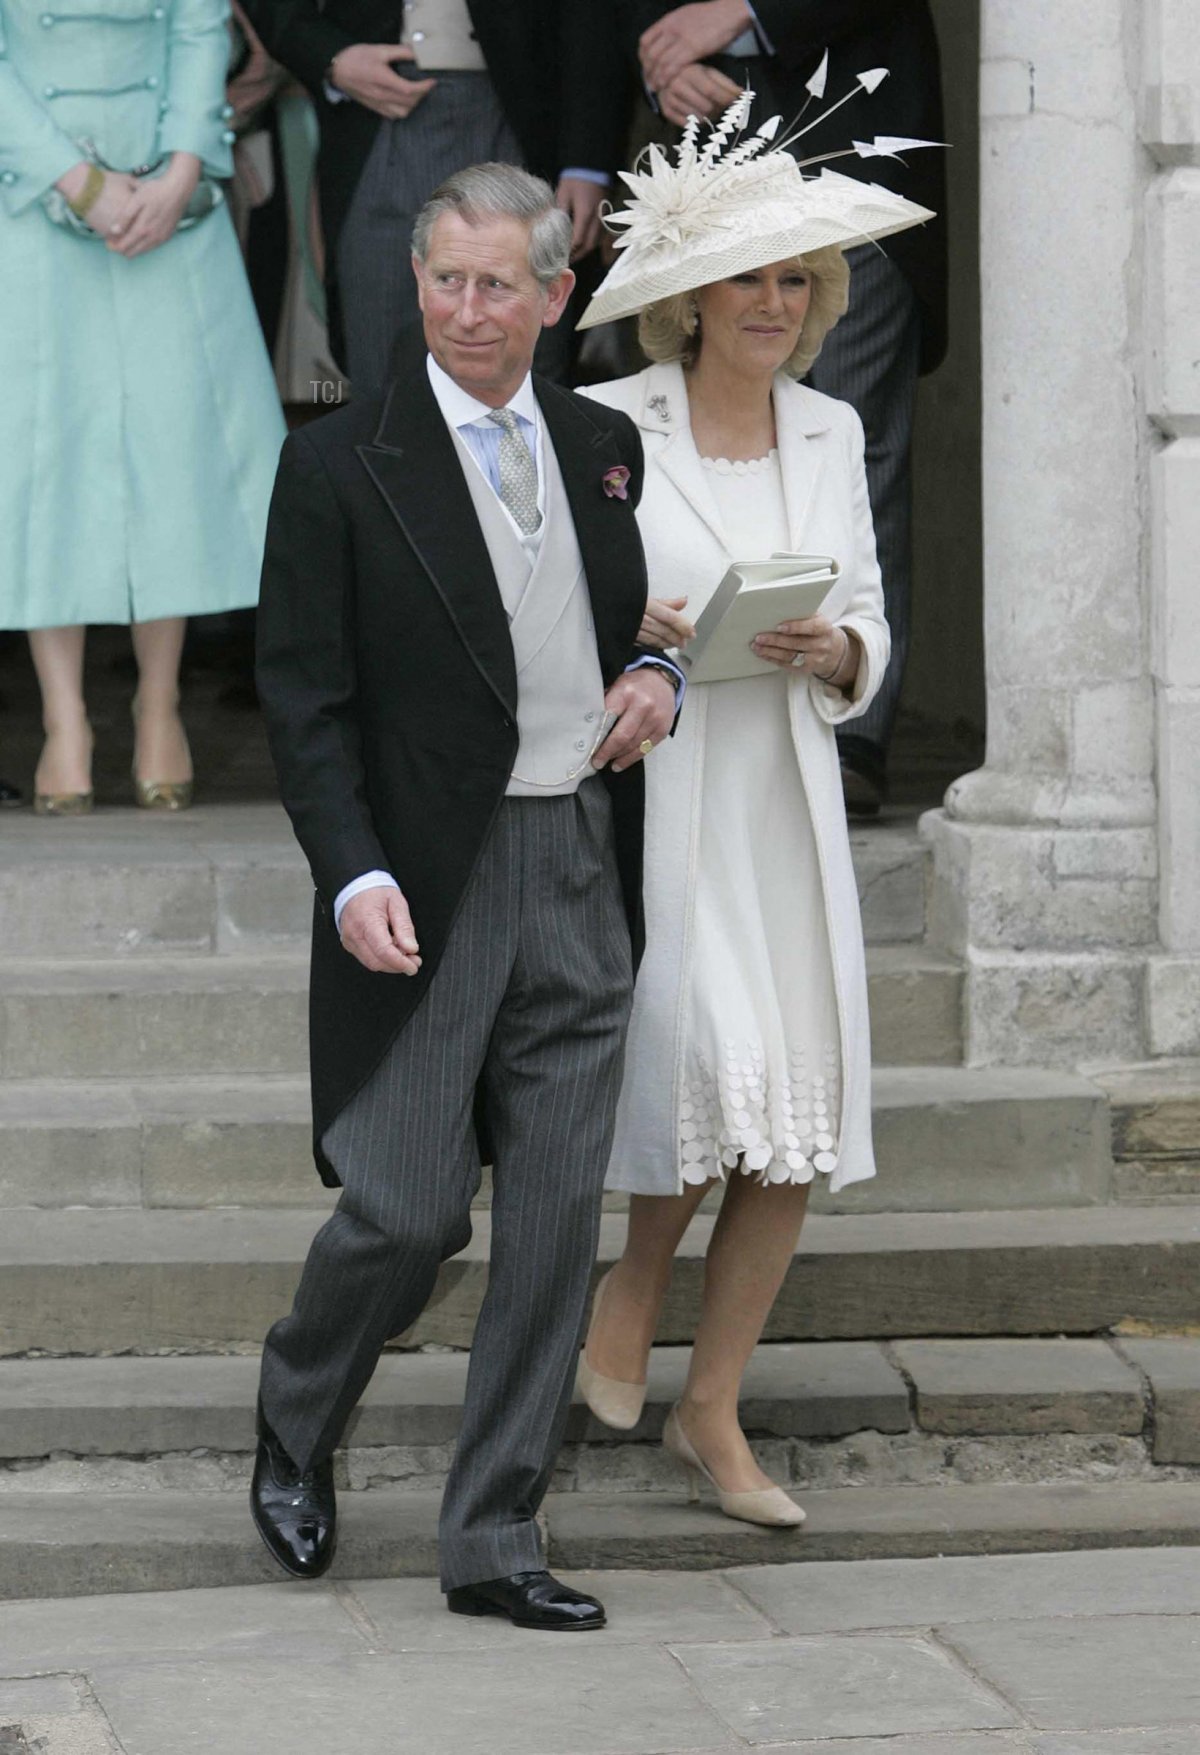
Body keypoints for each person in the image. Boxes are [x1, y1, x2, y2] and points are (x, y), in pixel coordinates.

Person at [250, 163, 683, 1628]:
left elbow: (641, 619)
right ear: (415, 282)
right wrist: (353, 868)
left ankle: (494, 1532)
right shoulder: (336, 465)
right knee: (410, 1207)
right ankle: (300, 1410)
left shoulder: (605, 441)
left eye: (501, 283)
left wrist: (658, 675)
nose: (469, 310)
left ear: (557, 295)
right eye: (446, 280)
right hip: (427, 875)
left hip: (578, 860)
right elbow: (303, 702)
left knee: (557, 1217)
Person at [574, 96, 933, 1522]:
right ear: (689, 297)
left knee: (792, 1102)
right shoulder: (607, 421)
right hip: (663, 794)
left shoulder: (835, 429)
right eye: (750, 277)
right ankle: (633, 1280)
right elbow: (549, 615)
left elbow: (865, 611)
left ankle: (711, 1407)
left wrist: (839, 653)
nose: (777, 303)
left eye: (796, 279)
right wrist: (631, 622)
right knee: (711, 1065)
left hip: (781, 791)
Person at [618, 0, 948, 813]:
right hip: (702, 138)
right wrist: (658, 55)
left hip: (850, 137)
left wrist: (742, 14)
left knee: (839, 437)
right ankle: (706, 695)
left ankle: (850, 725)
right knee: (690, 436)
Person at [0, 0, 286, 813]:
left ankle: (158, 703)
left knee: (173, 450)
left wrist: (183, 171)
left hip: (169, 197)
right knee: (45, 456)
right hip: (30, 190)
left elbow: (199, 28)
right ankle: (65, 719)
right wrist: (76, 178)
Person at [237, 0, 632, 390]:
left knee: (530, 362)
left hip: (526, 110)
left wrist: (587, 160)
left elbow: (590, 14)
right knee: (381, 360)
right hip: (375, 112)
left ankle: (521, 457)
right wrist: (329, 56)